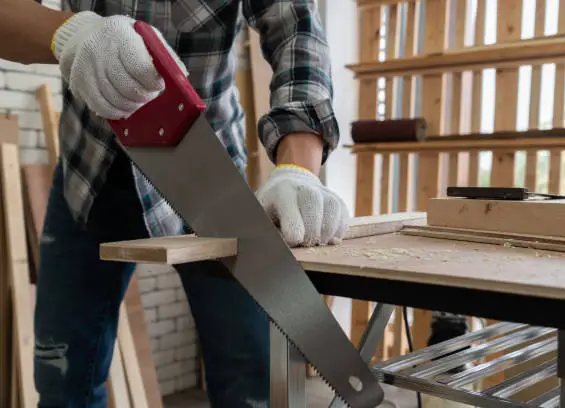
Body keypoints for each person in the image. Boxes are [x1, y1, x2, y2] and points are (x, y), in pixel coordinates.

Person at [0, 1, 350, 406]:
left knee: (251, 385)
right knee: (61, 381)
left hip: (208, 176)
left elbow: (296, 30)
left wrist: (299, 168)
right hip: (87, 170)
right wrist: (69, 33)